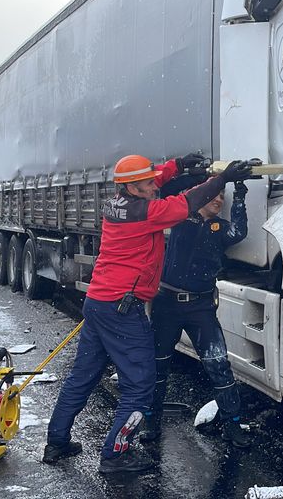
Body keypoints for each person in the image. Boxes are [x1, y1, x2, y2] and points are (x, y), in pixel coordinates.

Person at [43, 153, 252, 474]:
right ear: (135, 188)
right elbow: (184, 203)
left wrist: (178, 165)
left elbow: (156, 178)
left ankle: (57, 441)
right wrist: (221, 180)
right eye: (149, 184)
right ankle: (116, 454)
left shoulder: (120, 203)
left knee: (82, 376)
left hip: (99, 302)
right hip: (122, 310)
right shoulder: (145, 213)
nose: (155, 186)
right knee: (141, 385)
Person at [139, 181, 250, 447]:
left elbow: (239, 232)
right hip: (167, 304)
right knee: (158, 366)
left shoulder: (220, 229)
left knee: (218, 365)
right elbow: (174, 201)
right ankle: (151, 423)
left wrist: (240, 196)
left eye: (223, 197)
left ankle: (232, 425)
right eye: (215, 194)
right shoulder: (180, 219)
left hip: (201, 307)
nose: (219, 200)